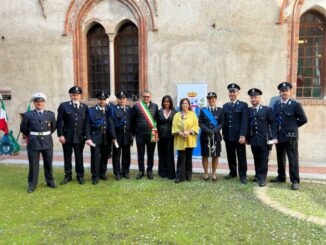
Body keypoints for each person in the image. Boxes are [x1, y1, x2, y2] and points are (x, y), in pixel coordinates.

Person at [271, 82, 308, 190]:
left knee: (293, 159)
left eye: (286, 91)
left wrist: (293, 127)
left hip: (291, 137)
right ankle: (281, 176)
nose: (284, 93)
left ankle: (295, 180)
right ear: (280, 92)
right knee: (280, 157)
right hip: (279, 136)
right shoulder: (276, 105)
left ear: (289, 91)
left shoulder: (295, 105)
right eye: (282, 91)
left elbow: (303, 119)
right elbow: (275, 120)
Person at [20, 93, 57, 193]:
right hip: (33, 142)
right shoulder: (28, 115)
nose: (39, 103)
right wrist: (33, 135)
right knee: (33, 164)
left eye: (41, 101)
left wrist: (44, 134)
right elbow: (23, 128)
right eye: (37, 102)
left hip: (47, 142)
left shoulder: (50, 114)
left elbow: (53, 127)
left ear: (44, 103)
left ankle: (50, 181)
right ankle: (32, 184)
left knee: (48, 163)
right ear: (34, 103)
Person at [56, 86, 88, 185]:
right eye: (73, 95)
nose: (75, 97)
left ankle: (80, 176)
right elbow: (59, 122)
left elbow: (86, 123)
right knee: (67, 156)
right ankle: (68, 175)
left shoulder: (84, 107)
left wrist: (86, 136)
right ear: (70, 95)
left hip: (79, 137)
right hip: (67, 136)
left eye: (77, 95)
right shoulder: (64, 106)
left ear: (80, 96)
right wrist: (60, 135)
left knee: (79, 156)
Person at [247, 88, 277, 187]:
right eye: (252, 97)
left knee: (264, 159)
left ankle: (262, 178)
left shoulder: (267, 110)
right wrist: (247, 138)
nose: (253, 99)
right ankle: (257, 175)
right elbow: (247, 125)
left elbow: (273, 124)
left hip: (265, 139)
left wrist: (274, 137)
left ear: (259, 98)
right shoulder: (249, 111)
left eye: (255, 97)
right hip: (253, 139)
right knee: (256, 158)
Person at [222, 83, 249, 184]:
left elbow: (244, 121)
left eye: (234, 91)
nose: (232, 93)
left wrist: (243, 135)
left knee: (241, 156)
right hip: (228, 136)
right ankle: (232, 172)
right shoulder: (225, 106)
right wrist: (223, 134)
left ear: (238, 93)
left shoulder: (243, 105)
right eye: (230, 92)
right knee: (231, 155)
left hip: (239, 136)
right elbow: (224, 121)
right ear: (228, 93)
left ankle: (243, 175)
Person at [131, 90, 159, 180]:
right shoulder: (136, 106)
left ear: (150, 97)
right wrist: (134, 132)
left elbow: (157, 119)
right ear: (142, 97)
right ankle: (141, 171)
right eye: (144, 96)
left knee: (151, 154)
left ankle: (149, 171)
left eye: (148, 96)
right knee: (140, 154)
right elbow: (133, 119)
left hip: (152, 134)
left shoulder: (155, 106)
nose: (146, 98)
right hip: (140, 134)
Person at [85, 91, 110, 184]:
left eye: (104, 99)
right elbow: (87, 125)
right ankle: (95, 176)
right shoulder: (91, 110)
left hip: (106, 137)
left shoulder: (109, 109)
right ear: (98, 100)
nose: (102, 101)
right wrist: (88, 137)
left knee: (105, 156)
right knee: (95, 158)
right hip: (95, 138)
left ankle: (102, 173)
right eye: (100, 99)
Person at [172, 98, 199, 183]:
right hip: (180, 139)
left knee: (188, 158)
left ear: (189, 105)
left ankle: (188, 175)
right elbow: (174, 126)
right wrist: (180, 133)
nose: (185, 105)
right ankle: (179, 176)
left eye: (186, 103)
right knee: (181, 158)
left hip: (189, 139)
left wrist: (189, 132)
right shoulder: (177, 115)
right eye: (183, 103)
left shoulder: (193, 114)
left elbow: (196, 126)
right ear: (181, 105)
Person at [199, 92, 224, 181]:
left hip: (216, 136)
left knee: (215, 155)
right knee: (205, 155)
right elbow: (200, 123)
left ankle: (213, 173)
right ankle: (206, 173)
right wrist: (207, 130)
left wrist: (214, 131)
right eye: (209, 99)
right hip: (205, 136)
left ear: (215, 99)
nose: (211, 100)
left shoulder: (220, 110)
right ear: (207, 100)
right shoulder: (203, 110)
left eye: (213, 98)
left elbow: (221, 123)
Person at [109, 91, 133, 180]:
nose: (122, 100)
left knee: (127, 156)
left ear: (126, 100)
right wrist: (113, 137)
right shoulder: (113, 109)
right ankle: (117, 173)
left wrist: (132, 134)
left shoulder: (129, 109)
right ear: (117, 100)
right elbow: (111, 124)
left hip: (127, 136)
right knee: (116, 156)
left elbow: (132, 123)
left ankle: (125, 172)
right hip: (117, 137)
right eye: (120, 98)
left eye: (124, 98)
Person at [157, 95, 177, 179]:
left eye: (168, 101)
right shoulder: (159, 111)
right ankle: (162, 172)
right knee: (161, 154)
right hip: (160, 136)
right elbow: (156, 123)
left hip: (170, 136)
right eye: (165, 101)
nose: (166, 103)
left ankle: (170, 173)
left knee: (169, 154)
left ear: (170, 102)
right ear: (162, 102)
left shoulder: (174, 112)